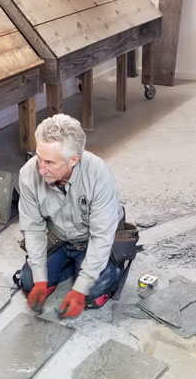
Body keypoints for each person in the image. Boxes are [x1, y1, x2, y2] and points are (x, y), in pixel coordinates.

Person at [17, 114, 127, 319]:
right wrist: (40, 280)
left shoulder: (97, 174)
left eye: (49, 162)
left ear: (74, 159)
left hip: (91, 239)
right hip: (59, 236)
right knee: (29, 282)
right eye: (39, 157)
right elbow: (32, 229)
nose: (40, 169)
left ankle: (104, 266)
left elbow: (101, 235)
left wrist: (80, 289)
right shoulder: (28, 173)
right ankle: (69, 265)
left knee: (92, 293)